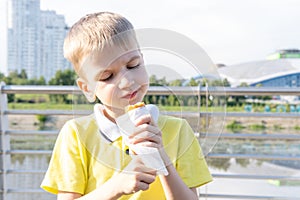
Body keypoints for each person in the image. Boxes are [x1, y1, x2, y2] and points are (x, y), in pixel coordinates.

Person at [41, 11, 212, 200]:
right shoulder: (76, 134)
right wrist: (117, 186)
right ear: (87, 88)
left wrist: (161, 157)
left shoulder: (178, 130)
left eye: (133, 65)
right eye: (107, 76)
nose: (127, 81)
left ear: (143, 60)